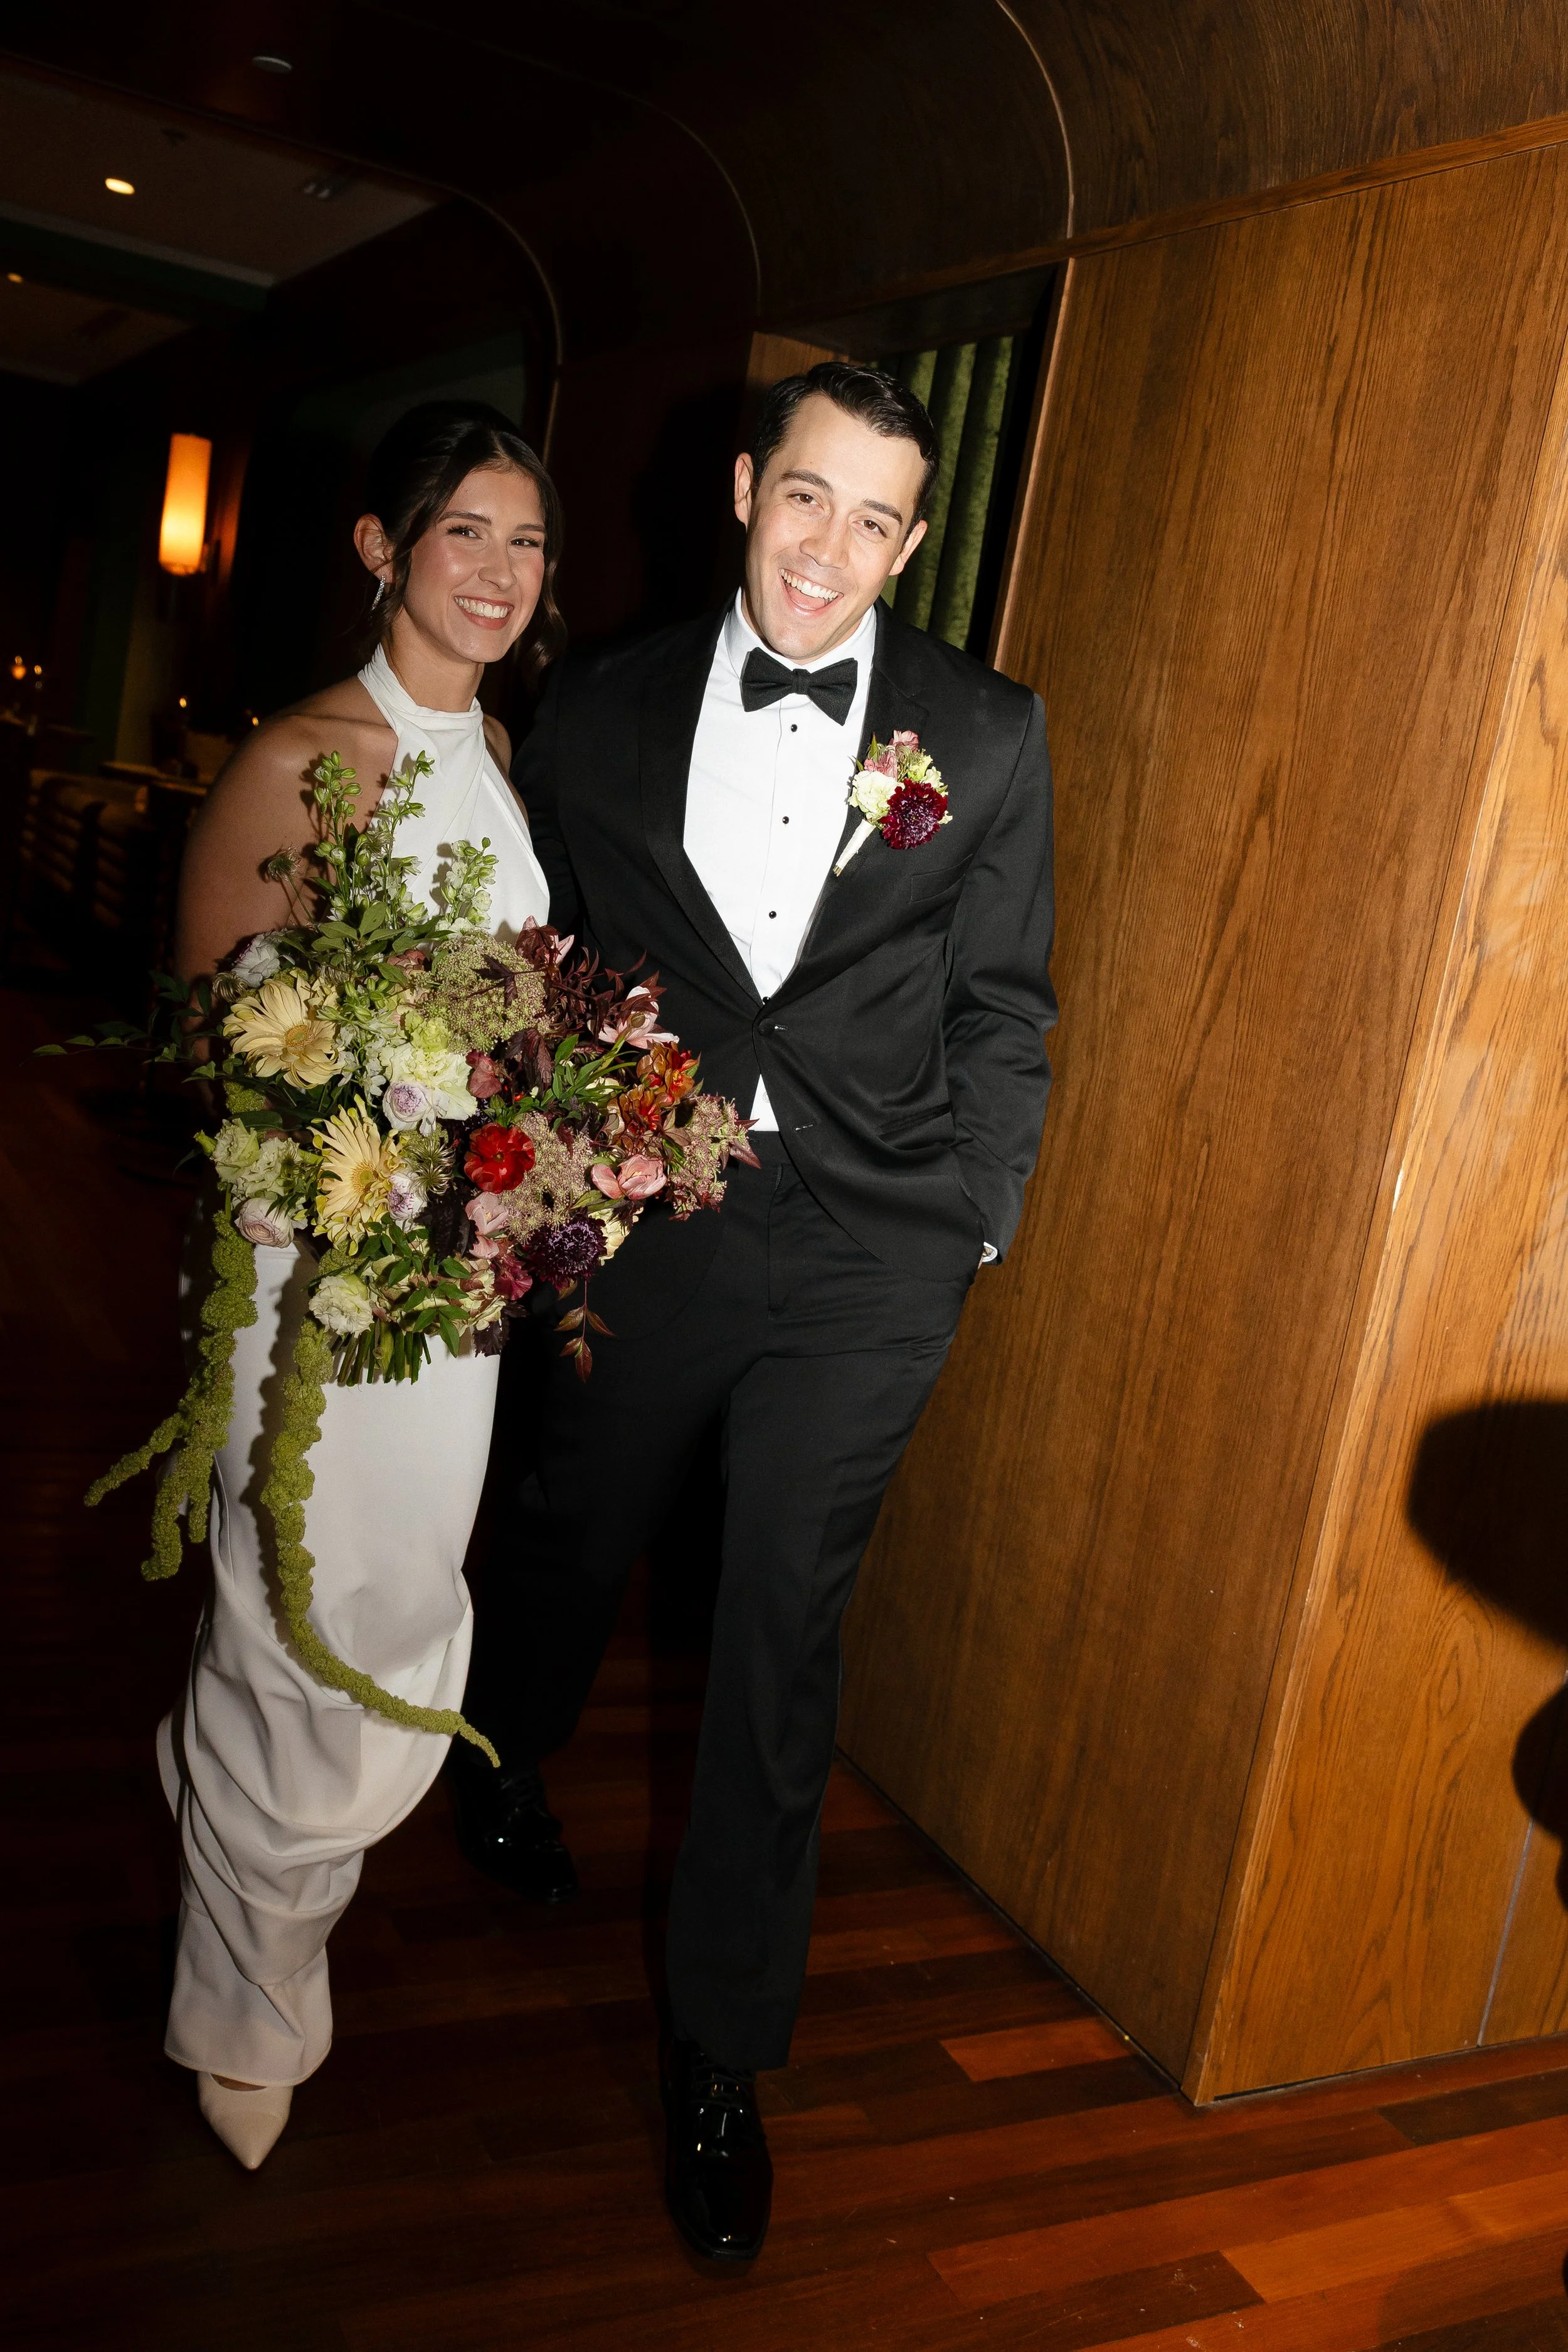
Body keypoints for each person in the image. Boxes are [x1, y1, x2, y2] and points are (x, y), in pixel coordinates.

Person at [452, 361, 1056, 2258]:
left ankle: (720, 2055)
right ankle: (502, 1740)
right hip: (649, 1215)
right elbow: (533, 959)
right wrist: (545, 1171)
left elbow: (1008, 1001)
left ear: (911, 538)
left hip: (873, 1247)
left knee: (782, 1629)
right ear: (741, 487)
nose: (830, 551)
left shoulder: (988, 727)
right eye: (806, 498)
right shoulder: (604, 707)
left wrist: (974, 1216)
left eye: (874, 519)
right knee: (570, 1528)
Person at [162, 400, 559, 2168]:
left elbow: (508, 1026)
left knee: (389, 1608)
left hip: (445, 1305)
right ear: (383, 549)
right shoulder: (301, 754)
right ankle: (240, 2001)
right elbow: (211, 1045)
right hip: (310, 1274)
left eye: (527, 541)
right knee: (291, 1607)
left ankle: (252, 1867)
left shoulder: (497, 758)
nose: (498, 570)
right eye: (464, 531)